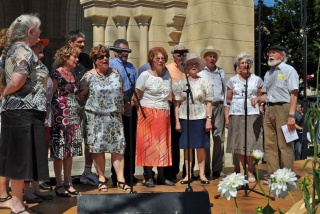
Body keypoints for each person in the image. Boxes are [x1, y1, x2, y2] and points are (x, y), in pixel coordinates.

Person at [0, 14, 49, 214]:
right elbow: (18, 79)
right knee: (20, 160)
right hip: (22, 111)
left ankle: (17, 202)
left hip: (20, 112)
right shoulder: (23, 50)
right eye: (38, 30)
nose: (40, 33)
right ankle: (17, 204)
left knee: (19, 159)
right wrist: (4, 92)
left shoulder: (13, 50)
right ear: (30, 32)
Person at [77, 44, 130, 192]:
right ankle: (101, 179)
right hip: (96, 119)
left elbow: (122, 92)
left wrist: (125, 104)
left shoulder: (116, 73)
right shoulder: (88, 76)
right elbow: (80, 96)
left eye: (107, 55)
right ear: (95, 60)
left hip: (114, 117)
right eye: (101, 57)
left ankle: (121, 179)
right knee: (98, 149)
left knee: (118, 149)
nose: (105, 58)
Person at [251, 45, 299, 181]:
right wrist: (258, 99)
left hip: (284, 108)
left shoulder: (289, 70)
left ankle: (287, 175)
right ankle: (273, 174)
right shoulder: (268, 73)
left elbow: (294, 94)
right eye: (269, 53)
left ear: (282, 56)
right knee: (270, 144)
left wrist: (291, 115)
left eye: (274, 53)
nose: (270, 55)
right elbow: (267, 95)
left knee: (285, 143)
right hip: (269, 108)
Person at [57, 30, 97, 186]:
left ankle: (87, 172)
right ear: (70, 43)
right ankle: (62, 179)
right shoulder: (60, 63)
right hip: (66, 109)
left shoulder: (86, 59)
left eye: (83, 41)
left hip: (85, 104)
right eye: (79, 41)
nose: (82, 44)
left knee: (88, 138)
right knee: (65, 143)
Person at [134, 47, 175, 187]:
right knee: (149, 145)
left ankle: (161, 176)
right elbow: (136, 96)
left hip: (163, 113)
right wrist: (142, 112)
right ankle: (149, 176)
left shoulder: (167, 75)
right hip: (148, 113)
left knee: (162, 145)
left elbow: (170, 92)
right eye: (157, 58)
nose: (160, 60)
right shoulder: (145, 75)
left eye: (163, 58)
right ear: (151, 59)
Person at [173, 53, 213, 184]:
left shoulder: (205, 82)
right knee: (187, 147)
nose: (194, 66)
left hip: (201, 117)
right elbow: (177, 104)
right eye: (191, 64)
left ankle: (202, 174)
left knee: (201, 147)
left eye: (196, 64)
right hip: (185, 117)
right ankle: (188, 175)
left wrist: (208, 119)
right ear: (186, 67)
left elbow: (209, 102)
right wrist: (177, 121)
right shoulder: (180, 84)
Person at [22, 39, 54, 204]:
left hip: (41, 112)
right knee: (28, 152)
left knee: (37, 152)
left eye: (42, 45)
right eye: (37, 45)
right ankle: (26, 191)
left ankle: (35, 188)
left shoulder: (41, 66)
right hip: (28, 112)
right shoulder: (25, 65)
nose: (41, 47)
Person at [50, 45, 83, 197]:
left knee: (69, 152)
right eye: (74, 57)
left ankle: (68, 182)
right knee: (59, 152)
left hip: (73, 116)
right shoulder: (56, 74)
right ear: (65, 58)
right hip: (59, 116)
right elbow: (50, 95)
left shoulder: (73, 74)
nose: (77, 59)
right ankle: (58, 183)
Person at [226, 52, 263, 182]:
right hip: (237, 113)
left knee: (251, 143)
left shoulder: (257, 79)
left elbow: (260, 97)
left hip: (253, 114)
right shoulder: (232, 80)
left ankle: (251, 171)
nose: (244, 65)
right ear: (238, 65)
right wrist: (227, 116)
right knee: (239, 143)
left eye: (247, 62)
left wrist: (261, 112)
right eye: (242, 62)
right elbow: (228, 100)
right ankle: (242, 170)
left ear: (250, 65)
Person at [109, 39, 139, 186]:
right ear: (115, 52)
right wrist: (123, 104)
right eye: (122, 51)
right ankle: (117, 176)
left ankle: (130, 174)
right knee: (119, 144)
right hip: (117, 108)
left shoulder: (131, 67)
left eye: (127, 51)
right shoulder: (111, 64)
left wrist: (131, 103)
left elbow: (136, 87)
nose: (125, 54)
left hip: (130, 107)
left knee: (131, 141)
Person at [198, 45, 226, 179]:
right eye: (209, 56)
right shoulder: (200, 73)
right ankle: (206, 169)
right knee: (205, 138)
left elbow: (225, 92)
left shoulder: (221, 72)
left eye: (214, 56)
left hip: (219, 106)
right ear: (204, 58)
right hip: (205, 107)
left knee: (219, 138)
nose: (212, 58)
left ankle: (217, 168)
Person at [164, 44, 187, 181]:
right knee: (174, 142)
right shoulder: (167, 68)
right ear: (173, 56)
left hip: (187, 107)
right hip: (173, 107)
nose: (181, 55)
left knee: (187, 141)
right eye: (178, 53)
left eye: (184, 53)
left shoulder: (188, 67)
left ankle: (187, 172)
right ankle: (172, 172)